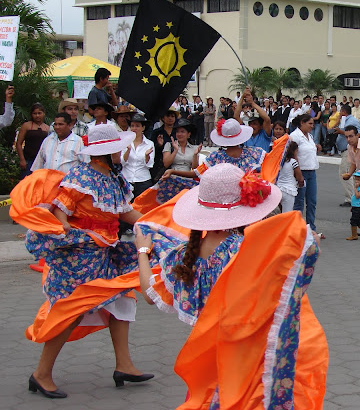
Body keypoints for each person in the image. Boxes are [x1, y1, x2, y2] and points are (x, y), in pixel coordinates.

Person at [133, 163, 327, 408]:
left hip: (209, 358)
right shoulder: (245, 251)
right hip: (246, 356)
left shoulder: (184, 256)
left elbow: (151, 293)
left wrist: (142, 250)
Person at [12, 125, 151, 398]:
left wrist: (155, 223)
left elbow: (125, 212)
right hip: (80, 257)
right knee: (71, 312)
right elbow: (60, 212)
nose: (123, 149)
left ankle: (124, 365)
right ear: (107, 151)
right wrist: (72, 231)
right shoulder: (81, 177)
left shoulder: (114, 178)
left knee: (122, 299)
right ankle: (41, 374)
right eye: (119, 146)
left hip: (103, 253)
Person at [290, 114, 321, 234]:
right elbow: (293, 156)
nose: (312, 126)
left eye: (313, 124)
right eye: (310, 124)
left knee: (312, 201)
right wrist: (298, 175)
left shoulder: (310, 136)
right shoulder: (295, 136)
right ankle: (297, 228)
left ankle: (311, 228)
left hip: (311, 171)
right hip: (301, 171)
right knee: (299, 202)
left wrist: (316, 147)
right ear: (302, 123)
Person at [121, 113, 155, 197]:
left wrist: (146, 156)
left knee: (141, 208)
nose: (134, 128)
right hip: (126, 179)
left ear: (143, 127)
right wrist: (128, 150)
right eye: (132, 126)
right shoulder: (124, 142)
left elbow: (149, 165)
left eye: (137, 126)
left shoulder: (149, 143)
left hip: (143, 180)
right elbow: (121, 162)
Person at [336, 105, 360, 207]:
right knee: (348, 172)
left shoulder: (352, 121)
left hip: (349, 149)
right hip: (344, 149)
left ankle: (351, 198)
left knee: (345, 173)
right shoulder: (344, 120)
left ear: (343, 111)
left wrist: (340, 132)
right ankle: (353, 195)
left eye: (340, 111)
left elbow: (356, 134)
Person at [16, 103, 49, 179]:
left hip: (42, 161)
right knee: (26, 182)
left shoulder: (47, 128)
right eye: (35, 113)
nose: (37, 115)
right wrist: (22, 159)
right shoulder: (26, 126)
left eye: (39, 113)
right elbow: (19, 143)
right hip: (29, 160)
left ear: (43, 114)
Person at [235, 88, 272, 152]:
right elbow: (236, 116)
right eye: (250, 124)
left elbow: (267, 119)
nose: (251, 126)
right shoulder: (245, 134)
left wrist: (252, 103)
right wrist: (242, 97)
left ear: (261, 126)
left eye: (255, 124)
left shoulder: (264, 134)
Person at [150, 107, 179, 180]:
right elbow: (151, 148)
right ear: (163, 118)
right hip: (159, 164)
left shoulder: (178, 132)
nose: (170, 118)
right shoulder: (156, 132)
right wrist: (159, 145)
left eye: (172, 116)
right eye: (168, 116)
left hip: (176, 162)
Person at [277, 141, 304, 212]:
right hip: (289, 190)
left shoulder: (278, 161)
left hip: (278, 189)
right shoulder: (293, 162)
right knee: (286, 214)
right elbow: (300, 178)